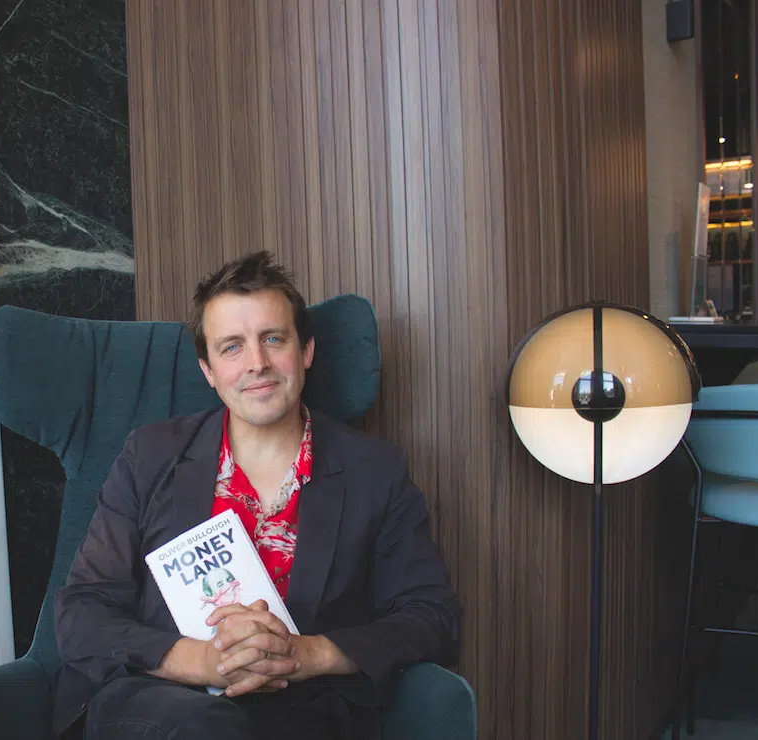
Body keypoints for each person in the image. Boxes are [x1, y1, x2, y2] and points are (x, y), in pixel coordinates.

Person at [53, 252, 461, 740]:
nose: (257, 364)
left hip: (302, 709)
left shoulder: (376, 471)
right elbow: (83, 610)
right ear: (208, 370)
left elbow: (431, 616)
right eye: (232, 347)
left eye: (273, 339)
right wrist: (206, 662)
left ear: (306, 350)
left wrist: (307, 654)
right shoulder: (149, 456)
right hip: (162, 702)